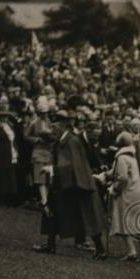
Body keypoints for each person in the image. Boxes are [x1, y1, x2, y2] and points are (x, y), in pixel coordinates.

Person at [43, 109, 107, 259]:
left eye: (54, 126)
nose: (51, 129)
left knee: (87, 215)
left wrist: (52, 169)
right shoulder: (63, 141)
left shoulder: (71, 142)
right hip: (67, 183)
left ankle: (101, 249)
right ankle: (50, 244)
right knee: (53, 209)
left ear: (63, 126)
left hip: (78, 185)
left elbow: (72, 167)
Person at [109, 131, 140, 262]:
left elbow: (123, 178)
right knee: (137, 220)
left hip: (126, 192)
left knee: (124, 220)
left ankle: (132, 251)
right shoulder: (132, 155)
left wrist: (114, 189)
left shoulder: (120, 157)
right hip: (136, 190)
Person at [0, 111, 19, 205]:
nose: (5, 118)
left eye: (6, 116)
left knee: (10, 176)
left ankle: (9, 199)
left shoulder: (10, 126)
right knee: (1, 177)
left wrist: (16, 150)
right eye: (2, 116)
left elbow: (13, 140)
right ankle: (0, 199)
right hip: (1, 154)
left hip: (11, 153)